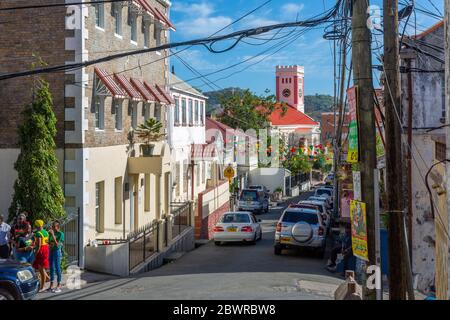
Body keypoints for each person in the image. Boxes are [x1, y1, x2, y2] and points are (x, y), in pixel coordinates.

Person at [33, 220, 50, 292]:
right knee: (42, 267)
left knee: (41, 269)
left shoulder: (38, 233)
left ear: (37, 226)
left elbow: (39, 245)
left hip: (41, 250)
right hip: (46, 248)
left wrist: (36, 252)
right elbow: (47, 242)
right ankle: (48, 278)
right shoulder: (46, 232)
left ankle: (42, 287)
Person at [48, 221, 64, 293]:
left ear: (58, 227)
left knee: (57, 267)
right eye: (52, 226)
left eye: (54, 227)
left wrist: (53, 235)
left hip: (57, 251)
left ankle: (59, 284)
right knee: (51, 267)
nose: (52, 228)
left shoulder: (61, 234)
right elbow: (49, 242)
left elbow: (57, 244)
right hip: (51, 251)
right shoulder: (51, 234)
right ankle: (51, 284)